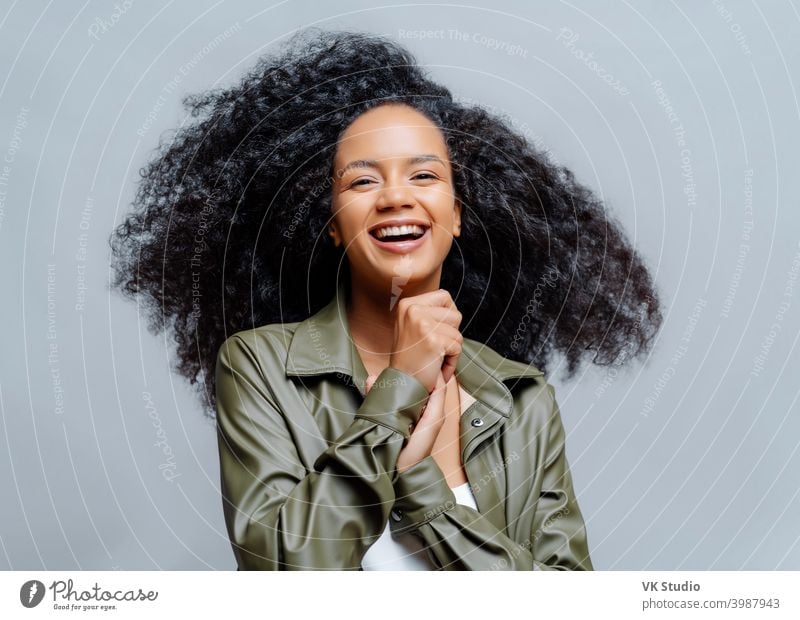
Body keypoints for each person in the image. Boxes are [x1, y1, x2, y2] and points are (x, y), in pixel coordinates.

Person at [109, 27, 663, 570]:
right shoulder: (261, 368)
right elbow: (282, 573)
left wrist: (424, 493)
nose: (396, 196)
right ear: (329, 223)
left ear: (458, 213)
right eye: (362, 182)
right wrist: (400, 388)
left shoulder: (519, 398)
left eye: (424, 175)